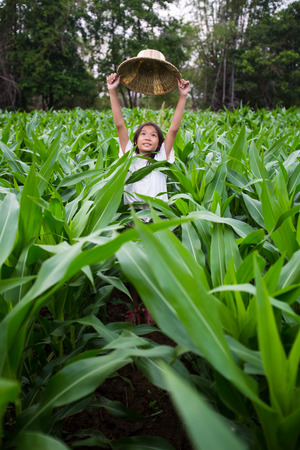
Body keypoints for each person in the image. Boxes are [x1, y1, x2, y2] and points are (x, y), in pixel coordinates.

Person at [107, 72, 190, 325]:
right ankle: (134, 306)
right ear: (135, 141)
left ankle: (152, 307)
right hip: (134, 220)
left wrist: (182, 96)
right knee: (135, 268)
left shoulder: (163, 159)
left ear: (159, 144)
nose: (148, 137)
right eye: (143, 134)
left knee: (156, 265)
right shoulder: (128, 159)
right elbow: (120, 125)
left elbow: (174, 128)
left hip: (158, 219)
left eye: (153, 135)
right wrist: (112, 91)